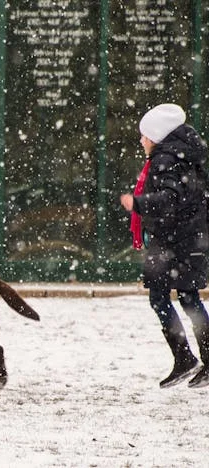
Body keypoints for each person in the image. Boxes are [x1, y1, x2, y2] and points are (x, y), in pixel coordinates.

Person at [120, 103, 209, 389]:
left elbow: (171, 199)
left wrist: (138, 203)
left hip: (175, 243)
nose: (142, 141)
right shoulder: (183, 157)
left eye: (145, 136)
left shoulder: (165, 160)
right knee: (186, 298)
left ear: (157, 136)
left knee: (169, 299)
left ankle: (186, 358)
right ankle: (190, 359)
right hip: (183, 240)